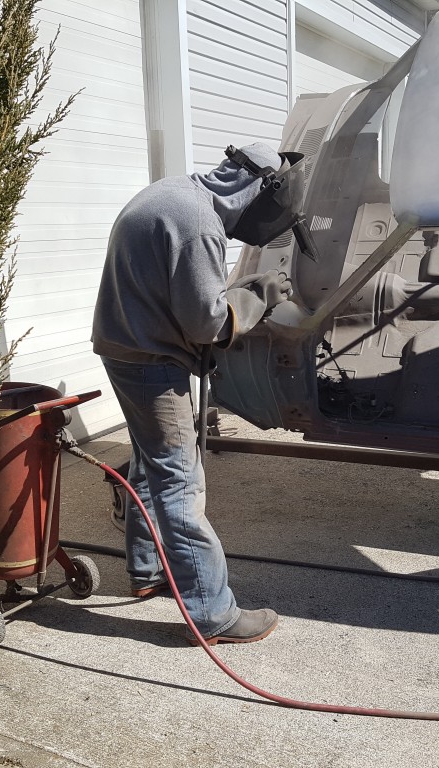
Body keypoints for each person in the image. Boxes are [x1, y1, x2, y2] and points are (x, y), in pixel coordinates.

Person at [92, 143, 295, 645]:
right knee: (180, 481)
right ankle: (211, 613)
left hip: (123, 347)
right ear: (256, 192)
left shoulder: (172, 191)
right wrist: (257, 296)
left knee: (151, 463)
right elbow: (206, 322)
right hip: (150, 361)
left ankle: (147, 569)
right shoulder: (200, 224)